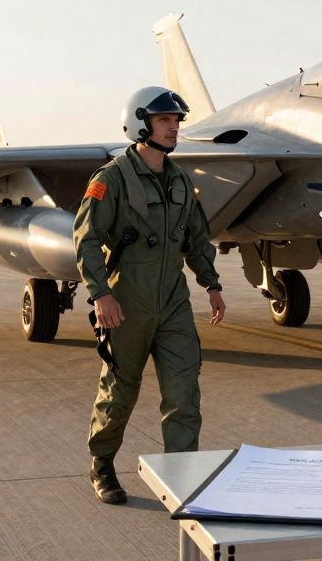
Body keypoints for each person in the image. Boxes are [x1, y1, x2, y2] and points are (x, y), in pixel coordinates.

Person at [73, 86, 227, 505]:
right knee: (120, 390)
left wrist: (211, 284)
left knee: (183, 395)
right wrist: (101, 295)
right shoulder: (110, 180)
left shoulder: (179, 181)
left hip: (173, 302)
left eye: (177, 121)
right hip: (127, 300)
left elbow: (196, 239)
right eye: (164, 120)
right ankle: (102, 463)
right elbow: (87, 239)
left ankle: (180, 477)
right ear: (141, 124)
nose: (174, 127)